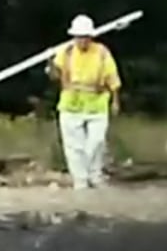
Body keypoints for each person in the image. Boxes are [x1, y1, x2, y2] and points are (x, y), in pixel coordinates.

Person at [47, 14, 122, 189]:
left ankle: (95, 175)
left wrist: (115, 101)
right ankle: (80, 181)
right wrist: (50, 62)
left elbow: (112, 77)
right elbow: (54, 76)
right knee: (73, 147)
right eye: (79, 37)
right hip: (71, 104)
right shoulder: (65, 52)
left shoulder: (101, 53)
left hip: (97, 103)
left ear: (91, 36)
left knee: (96, 142)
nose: (82, 41)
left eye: (85, 37)